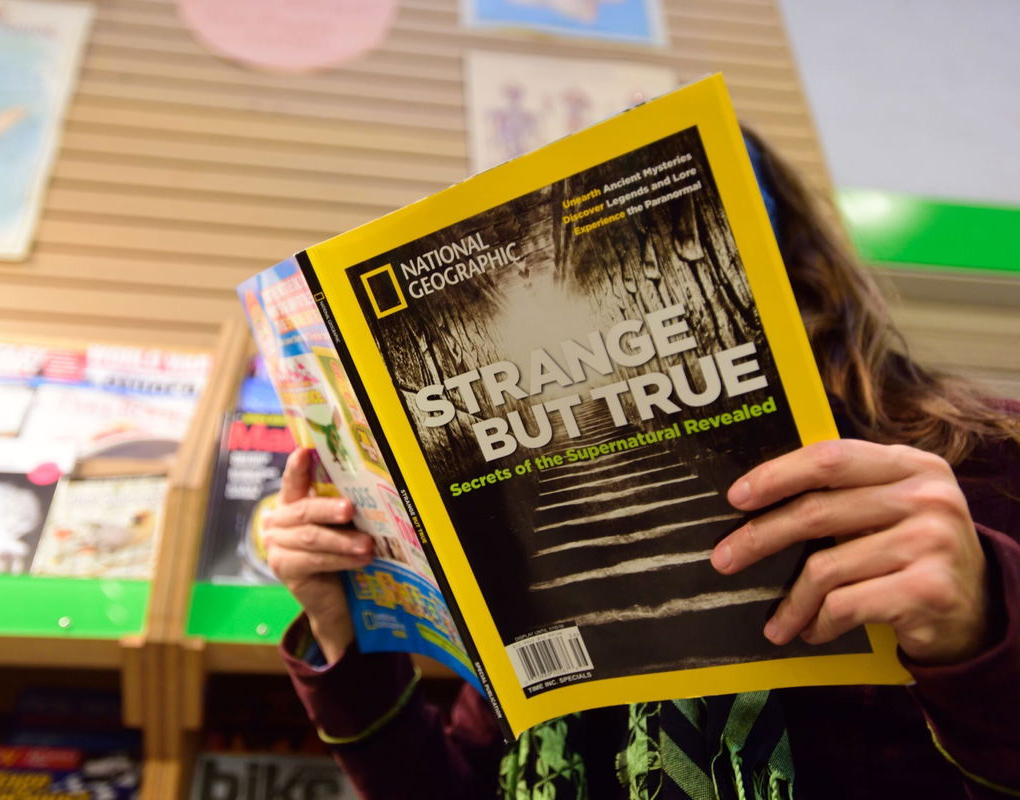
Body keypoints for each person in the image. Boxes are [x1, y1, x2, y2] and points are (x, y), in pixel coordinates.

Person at [259, 129, 1020, 799]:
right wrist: (344, 634)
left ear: (788, 262)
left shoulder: (975, 460)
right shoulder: (537, 520)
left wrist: (981, 629)